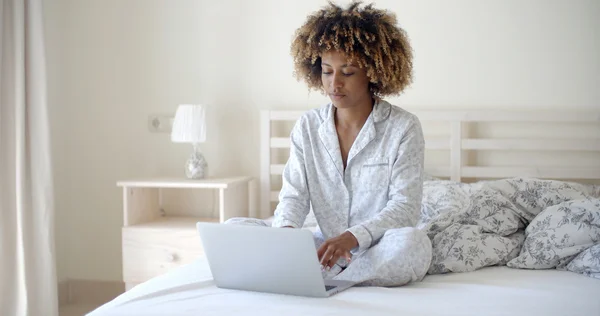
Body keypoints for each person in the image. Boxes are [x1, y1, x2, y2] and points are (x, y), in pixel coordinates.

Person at [227, 1, 432, 287]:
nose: (334, 84)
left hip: (379, 247)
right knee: (234, 228)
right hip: (324, 249)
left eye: (347, 72)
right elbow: (294, 196)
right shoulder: (308, 127)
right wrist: (285, 235)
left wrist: (352, 237)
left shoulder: (403, 127)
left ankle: (328, 278)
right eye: (326, 71)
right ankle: (315, 269)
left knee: (413, 242)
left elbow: (405, 208)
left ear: (373, 72)